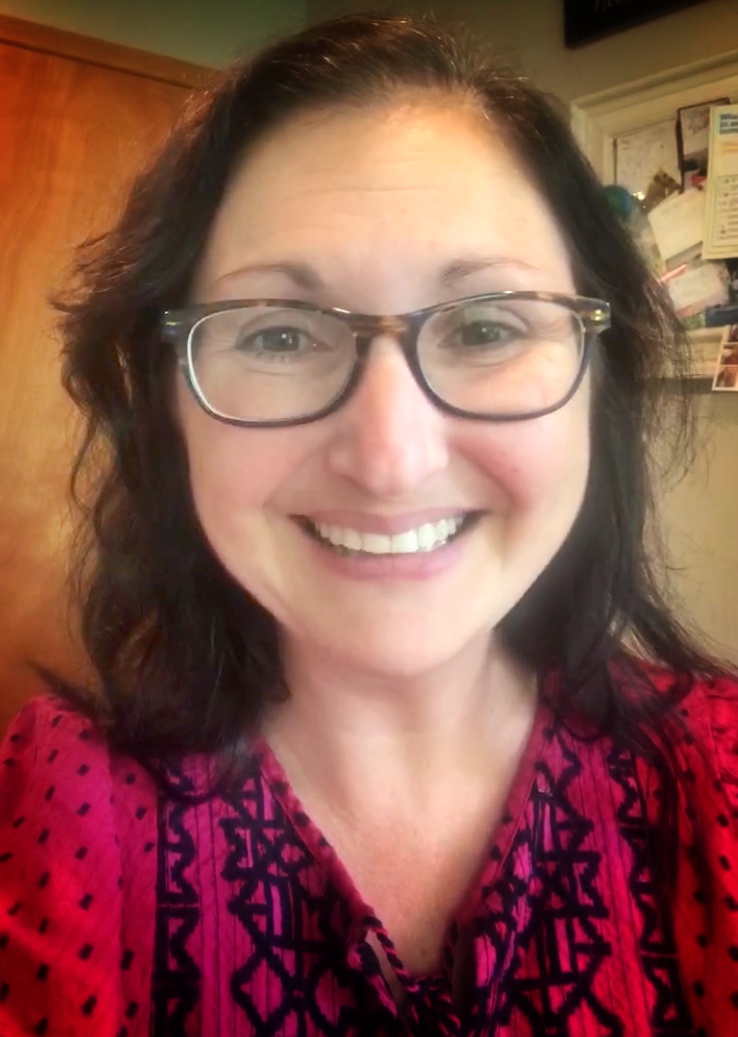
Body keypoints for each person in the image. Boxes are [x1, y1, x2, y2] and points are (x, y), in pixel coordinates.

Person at [0, 13, 736, 1037]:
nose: (391, 459)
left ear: (597, 386)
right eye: (279, 334)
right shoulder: (67, 794)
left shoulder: (721, 767)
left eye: (487, 325)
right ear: (167, 404)